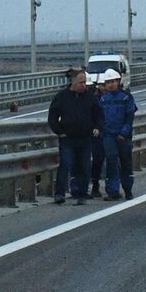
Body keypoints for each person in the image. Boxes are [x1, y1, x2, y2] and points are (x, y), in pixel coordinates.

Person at [47, 68, 101, 205]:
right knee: (65, 165)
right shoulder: (62, 96)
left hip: (85, 138)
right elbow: (52, 116)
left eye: (85, 82)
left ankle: (82, 193)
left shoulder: (90, 97)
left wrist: (97, 127)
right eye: (80, 82)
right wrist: (59, 131)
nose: (83, 85)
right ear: (73, 82)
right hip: (67, 138)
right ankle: (59, 193)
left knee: (85, 166)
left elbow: (98, 115)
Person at [96, 69, 137, 200]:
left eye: (113, 81)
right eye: (108, 82)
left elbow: (129, 117)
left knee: (126, 163)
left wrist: (124, 133)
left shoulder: (126, 97)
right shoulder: (103, 99)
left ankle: (128, 189)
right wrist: (103, 132)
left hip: (123, 136)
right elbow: (100, 118)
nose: (111, 84)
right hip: (109, 136)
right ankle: (112, 191)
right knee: (111, 162)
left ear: (118, 82)